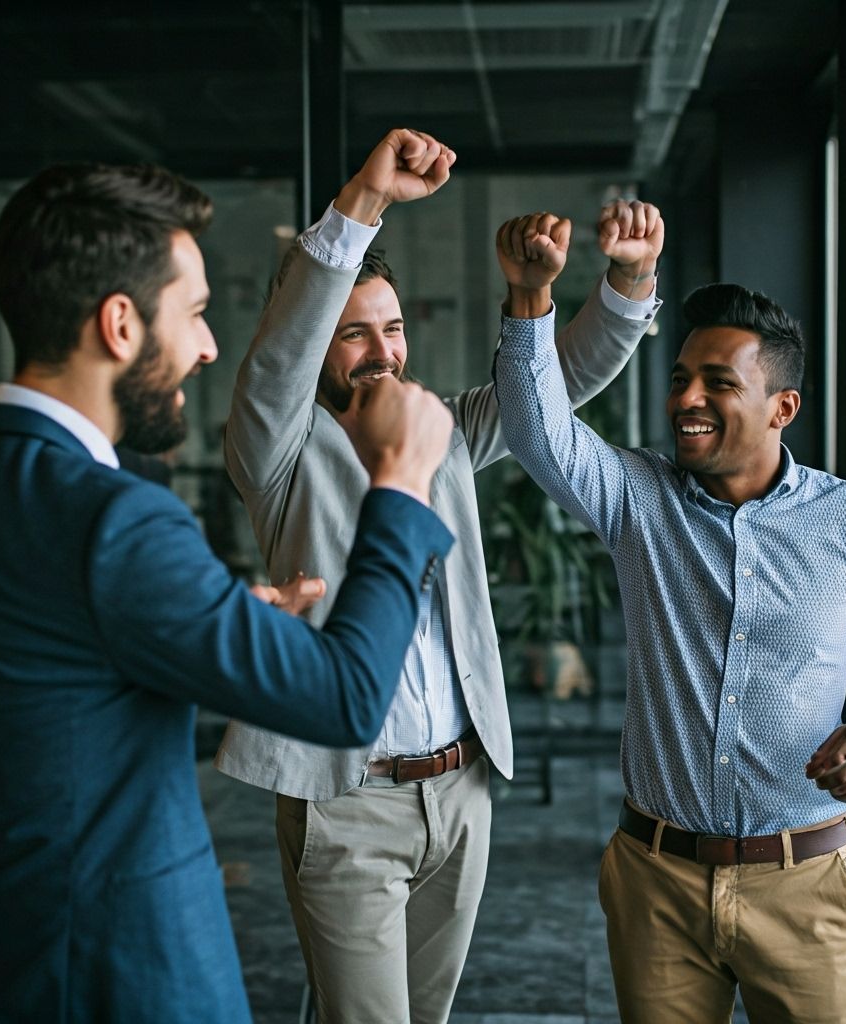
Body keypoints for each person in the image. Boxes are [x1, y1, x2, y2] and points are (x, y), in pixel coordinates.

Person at [0, 159, 458, 1023]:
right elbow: (349, 699)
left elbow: (35, 676)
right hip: (120, 978)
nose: (208, 347)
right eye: (196, 314)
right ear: (120, 324)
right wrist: (398, 487)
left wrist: (207, 624)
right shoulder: (118, 521)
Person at [214, 127, 659, 1023]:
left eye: (394, 329)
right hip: (348, 797)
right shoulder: (278, 453)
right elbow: (277, 359)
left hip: (461, 790)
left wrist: (624, 284)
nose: (381, 352)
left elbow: (556, 384)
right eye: (352, 336)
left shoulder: (442, 430)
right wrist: (361, 205)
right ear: (317, 350)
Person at [493, 200, 846, 1024]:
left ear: (782, 408)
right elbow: (537, 432)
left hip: (805, 885)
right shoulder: (638, 498)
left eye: (719, 383)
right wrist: (529, 298)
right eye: (680, 379)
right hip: (656, 881)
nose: (687, 399)